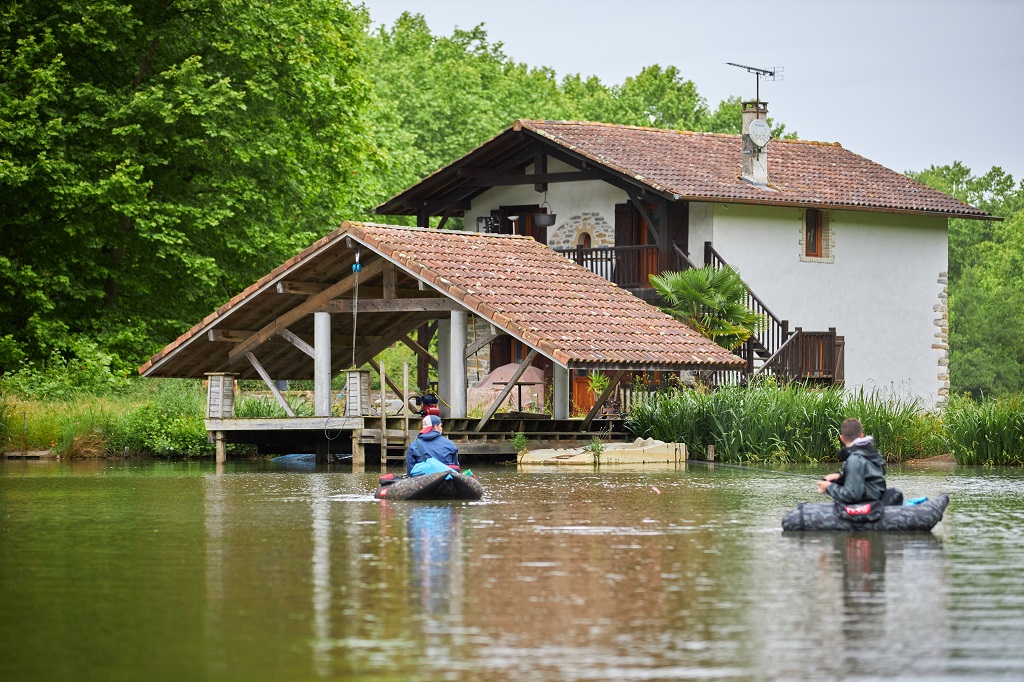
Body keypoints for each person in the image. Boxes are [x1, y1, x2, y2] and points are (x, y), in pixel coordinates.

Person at [816, 418, 887, 504]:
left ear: (842, 438)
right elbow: (867, 477)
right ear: (862, 435)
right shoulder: (871, 453)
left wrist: (829, 487)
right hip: (877, 501)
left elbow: (852, 495)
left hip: (867, 506)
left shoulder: (855, 459)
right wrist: (840, 477)